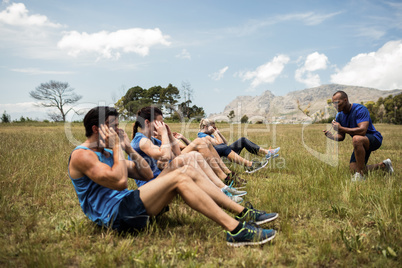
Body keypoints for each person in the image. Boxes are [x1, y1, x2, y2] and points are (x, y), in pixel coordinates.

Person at [68, 106, 278, 247]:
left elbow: (146, 173)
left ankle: (243, 213)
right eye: (113, 127)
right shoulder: (82, 155)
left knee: (184, 169)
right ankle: (235, 230)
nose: (118, 131)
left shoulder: (106, 153)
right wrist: (117, 147)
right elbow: (121, 182)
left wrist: (127, 150)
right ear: (97, 129)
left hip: (130, 205)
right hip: (115, 216)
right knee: (180, 175)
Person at [131, 107, 247, 203]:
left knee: (194, 155)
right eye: (159, 122)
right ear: (147, 122)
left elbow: (177, 154)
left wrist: (170, 135)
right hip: (151, 188)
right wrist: (164, 134)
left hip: (161, 180)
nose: (162, 125)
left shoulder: (152, 140)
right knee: (190, 156)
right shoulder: (140, 141)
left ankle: (222, 188)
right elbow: (165, 156)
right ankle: (221, 192)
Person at [323, 91, 394, 181]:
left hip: (374, 139)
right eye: (333, 103)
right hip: (359, 143)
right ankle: (384, 165)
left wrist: (341, 128)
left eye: (337, 102)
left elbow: (362, 131)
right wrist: (332, 137)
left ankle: (360, 176)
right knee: (353, 170)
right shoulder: (339, 116)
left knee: (356, 138)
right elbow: (342, 136)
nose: (334, 105)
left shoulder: (360, 109)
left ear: (345, 100)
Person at [198, 118, 280, 173]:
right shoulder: (203, 136)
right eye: (212, 128)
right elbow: (220, 144)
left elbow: (225, 143)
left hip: (223, 151)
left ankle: (267, 153)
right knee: (226, 146)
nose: (213, 129)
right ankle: (252, 164)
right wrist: (215, 133)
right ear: (206, 127)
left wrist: (219, 133)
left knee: (242, 140)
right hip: (218, 157)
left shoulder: (209, 134)